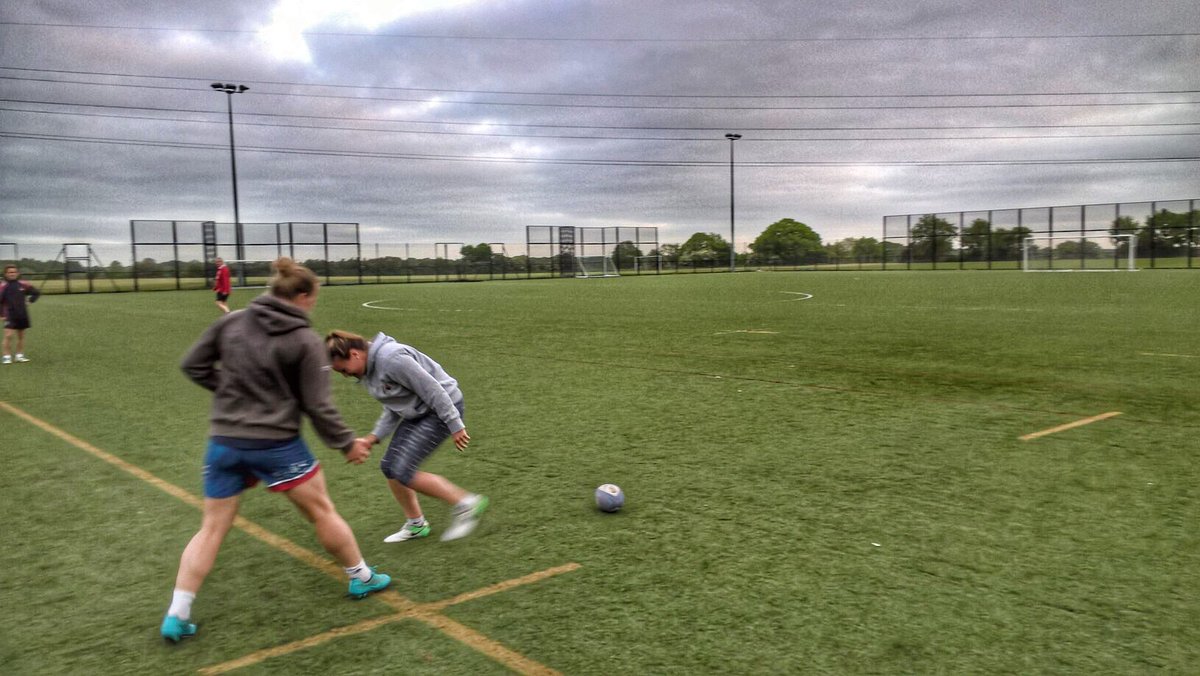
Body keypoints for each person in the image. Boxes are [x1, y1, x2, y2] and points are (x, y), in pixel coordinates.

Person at [161, 257, 390, 644]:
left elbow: (193, 366)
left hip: (224, 443)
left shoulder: (230, 322)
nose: (313, 305)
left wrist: (234, 395)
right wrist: (346, 444)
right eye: (313, 298)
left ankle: (177, 613)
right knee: (321, 511)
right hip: (276, 444)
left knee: (212, 528)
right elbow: (318, 406)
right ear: (301, 296)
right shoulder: (303, 340)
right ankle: (361, 578)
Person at [325, 329, 488, 543]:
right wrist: (373, 437)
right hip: (419, 412)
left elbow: (433, 389)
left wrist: (454, 424)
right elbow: (394, 406)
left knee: (403, 471)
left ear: (355, 354)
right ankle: (416, 524)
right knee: (389, 467)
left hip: (441, 408)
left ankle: (466, 503)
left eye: (344, 370)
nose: (346, 376)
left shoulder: (392, 359)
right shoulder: (368, 371)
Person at [1, 265, 40, 364]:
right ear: (6, 274)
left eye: (14, 272)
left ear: (17, 273)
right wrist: (1, 314)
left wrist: (30, 301)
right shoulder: (3, 286)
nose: (12, 274)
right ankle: (6, 357)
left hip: (22, 313)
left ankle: (19, 355)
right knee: (8, 335)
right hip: (9, 314)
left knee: (21, 336)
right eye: (10, 272)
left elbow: (36, 292)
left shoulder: (23, 284)